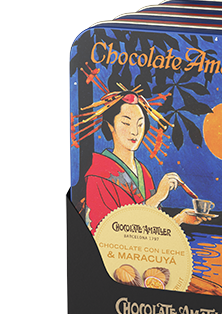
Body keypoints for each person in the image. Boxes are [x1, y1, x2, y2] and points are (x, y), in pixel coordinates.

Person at [83, 92, 210, 233]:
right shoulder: (99, 173)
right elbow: (109, 232)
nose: (134, 131)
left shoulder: (143, 171)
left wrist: (180, 219)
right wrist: (158, 197)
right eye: (126, 123)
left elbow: (151, 231)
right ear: (110, 126)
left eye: (140, 124)